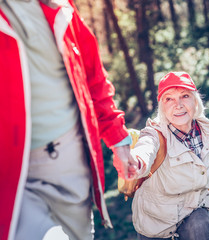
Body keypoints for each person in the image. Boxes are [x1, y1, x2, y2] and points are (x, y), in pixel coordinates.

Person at [0, 1, 139, 239]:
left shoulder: (60, 5)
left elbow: (92, 76)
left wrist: (118, 140)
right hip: (10, 175)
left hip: (70, 161)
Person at [129, 71, 209, 240]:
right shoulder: (154, 134)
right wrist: (136, 162)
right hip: (155, 223)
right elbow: (145, 148)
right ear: (162, 107)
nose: (177, 105)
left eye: (185, 96)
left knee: (201, 221)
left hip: (192, 212)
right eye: (169, 99)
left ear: (195, 100)